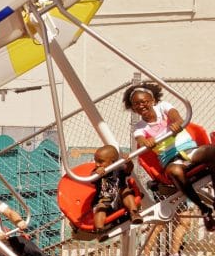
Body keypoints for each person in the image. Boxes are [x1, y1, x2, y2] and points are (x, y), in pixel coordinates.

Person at [123, 82, 215, 231]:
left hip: (189, 150)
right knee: (175, 172)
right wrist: (146, 142)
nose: (141, 106)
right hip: (171, 159)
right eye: (136, 104)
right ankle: (204, 208)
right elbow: (140, 139)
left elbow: (175, 116)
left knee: (211, 152)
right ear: (133, 107)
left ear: (152, 101)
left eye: (144, 102)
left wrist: (177, 123)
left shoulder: (163, 107)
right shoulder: (139, 127)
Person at [91, 145, 142, 230]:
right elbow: (91, 178)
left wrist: (128, 162)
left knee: (125, 191)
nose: (97, 164)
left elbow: (128, 169)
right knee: (100, 208)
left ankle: (134, 213)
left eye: (101, 161)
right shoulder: (97, 172)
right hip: (103, 201)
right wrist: (96, 173)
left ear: (113, 162)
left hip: (120, 201)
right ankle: (99, 229)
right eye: (95, 161)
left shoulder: (119, 168)